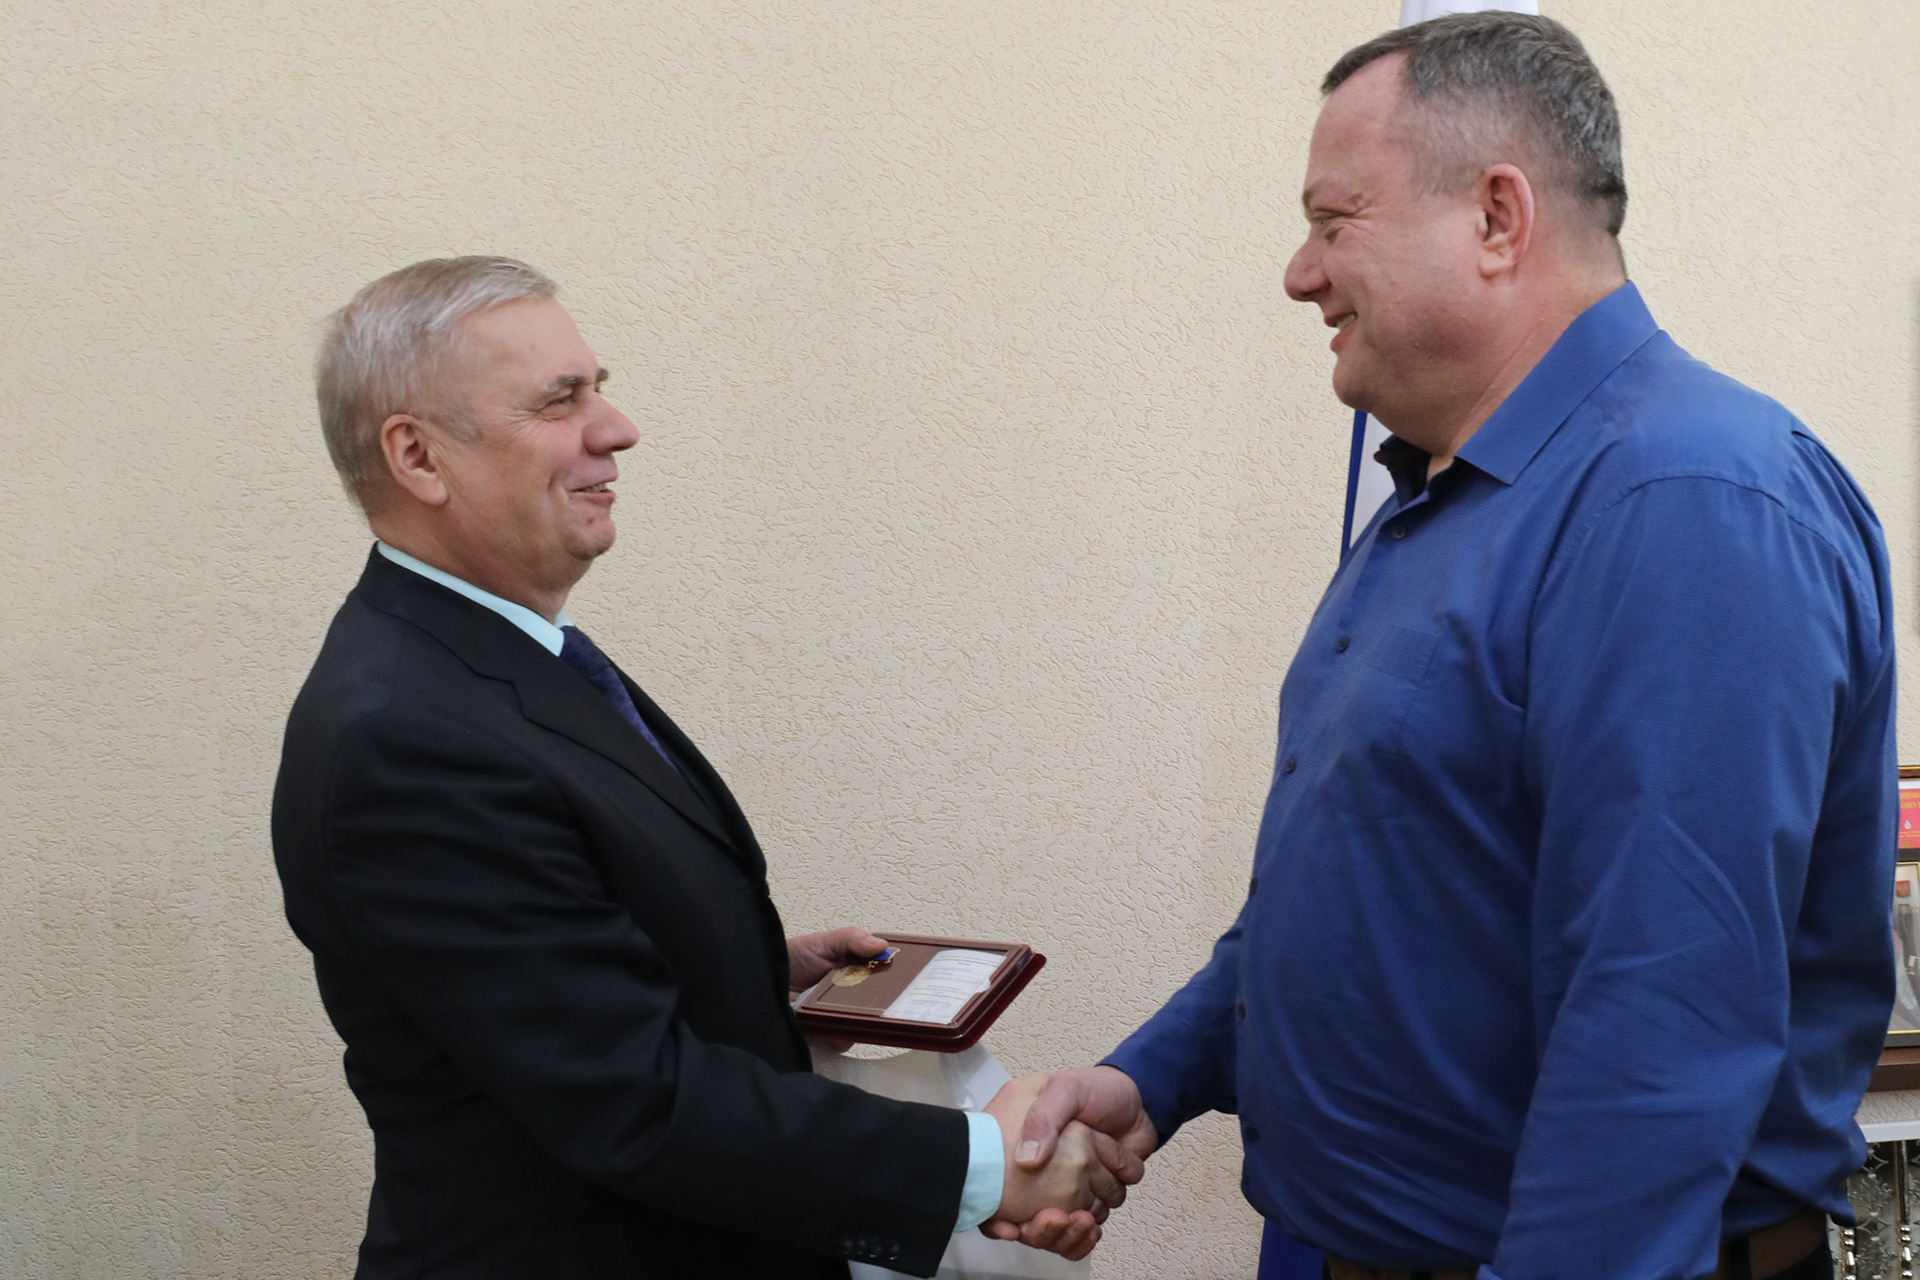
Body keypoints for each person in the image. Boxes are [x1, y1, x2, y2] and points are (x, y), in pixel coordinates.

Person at [1003, 14, 1895, 1280]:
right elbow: (1371, 891)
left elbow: (1654, 1032)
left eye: (1335, 220)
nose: (1300, 274)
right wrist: (1156, 1076)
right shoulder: (1443, 496)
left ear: (1496, 218)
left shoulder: (1681, 501)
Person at [271, 256, 1138, 1279]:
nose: (617, 427)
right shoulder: (406, 738)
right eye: (561, 400)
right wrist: (991, 1164)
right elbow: (631, 1098)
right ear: (418, 456)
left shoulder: (495, 661)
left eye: (599, 387)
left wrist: (747, 966)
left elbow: (549, 968)